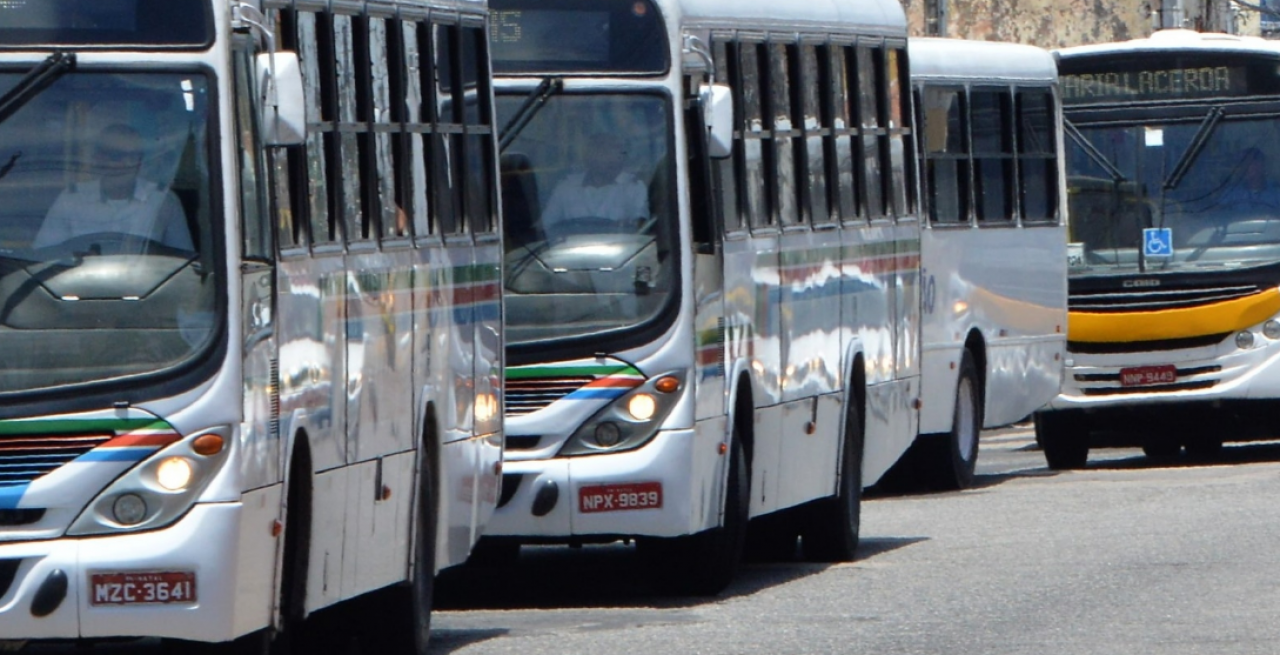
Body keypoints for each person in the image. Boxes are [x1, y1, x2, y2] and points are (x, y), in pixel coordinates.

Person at [34, 123, 192, 251]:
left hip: (147, 287)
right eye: (116, 156)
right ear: (98, 158)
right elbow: (46, 255)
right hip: (81, 287)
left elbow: (182, 260)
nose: (124, 164)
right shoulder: (70, 199)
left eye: (133, 156)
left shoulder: (162, 200)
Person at [539, 132, 649, 237]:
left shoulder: (634, 187)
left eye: (610, 150)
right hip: (568, 252)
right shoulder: (566, 187)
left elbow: (640, 226)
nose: (604, 155)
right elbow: (546, 226)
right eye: (599, 149)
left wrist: (627, 226)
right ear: (587, 157)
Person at [1218, 147, 1280, 216]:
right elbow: (1216, 214)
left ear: (1261, 166)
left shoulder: (1276, 191)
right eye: (1244, 164)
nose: (1245, 167)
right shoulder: (1232, 192)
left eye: (1251, 164)